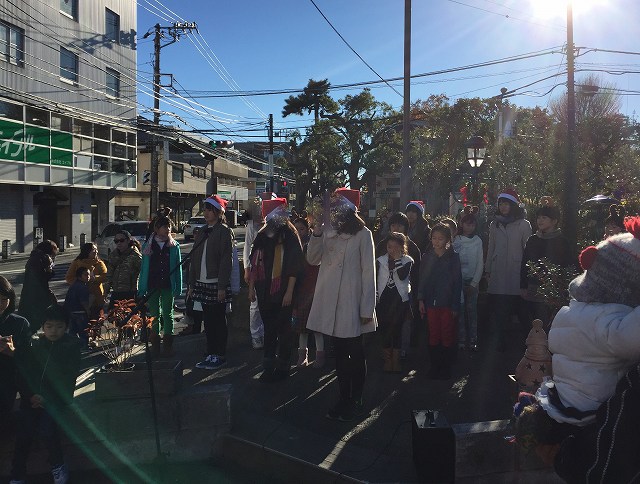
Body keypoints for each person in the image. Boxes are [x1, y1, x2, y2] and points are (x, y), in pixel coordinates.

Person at [513, 217, 640, 483]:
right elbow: (632, 337)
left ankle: (533, 418)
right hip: (592, 411)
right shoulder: (610, 323)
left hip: (564, 400)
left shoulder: (570, 312)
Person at [306, 188, 376, 422]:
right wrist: (316, 230)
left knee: (355, 355)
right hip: (331, 303)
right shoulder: (327, 232)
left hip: (351, 303)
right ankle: (343, 397)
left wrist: (367, 308)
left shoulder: (363, 234)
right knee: (339, 355)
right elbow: (312, 259)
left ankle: (356, 398)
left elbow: (369, 273)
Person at [11, 304, 81, 484]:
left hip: (56, 400)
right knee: (24, 431)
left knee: (47, 428)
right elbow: (24, 373)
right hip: (31, 398)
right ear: (43, 326)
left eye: (59, 326)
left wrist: (47, 398)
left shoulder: (70, 346)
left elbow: (67, 378)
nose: (53, 331)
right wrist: (30, 396)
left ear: (66, 327)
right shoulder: (34, 345)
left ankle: (58, 465)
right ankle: (17, 473)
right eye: (49, 326)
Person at [248, 198, 304, 382]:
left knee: (284, 330)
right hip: (264, 290)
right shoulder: (263, 234)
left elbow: (294, 265)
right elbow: (254, 262)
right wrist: (251, 288)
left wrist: (289, 291)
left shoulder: (289, 233)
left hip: (284, 291)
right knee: (269, 329)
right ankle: (268, 364)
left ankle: (283, 366)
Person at [485, 188, 532, 351]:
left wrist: (527, 275)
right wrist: (488, 269)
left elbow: (528, 251)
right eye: (501, 203)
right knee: (498, 312)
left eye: (507, 204)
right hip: (498, 272)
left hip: (515, 272)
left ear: (513, 205)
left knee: (519, 310)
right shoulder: (494, 224)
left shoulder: (524, 224)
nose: (504, 207)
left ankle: (524, 346)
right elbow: (491, 247)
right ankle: (498, 346)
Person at [190, 195, 233, 371]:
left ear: (218, 211)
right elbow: (193, 257)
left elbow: (226, 259)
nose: (206, 213)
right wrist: (191, 283)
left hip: (216, 282)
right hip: (201, 282)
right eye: (205, 209)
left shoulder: (223, 230)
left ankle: (220, 355)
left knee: (218, 320)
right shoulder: (202, 231)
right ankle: (210, 353)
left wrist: (222, 285)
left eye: (209, 209)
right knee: (207, 320)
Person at [520, 198, 575, 328]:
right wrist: (523, 285)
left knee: (548, 325)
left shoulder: (563, 242)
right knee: (531, 325)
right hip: (532, 289)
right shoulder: (532, 240)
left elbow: (568, 266)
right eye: (538, 217)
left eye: (544, 218)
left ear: (554, 221)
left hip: (553, 292)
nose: (540, 221)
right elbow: (525, 263)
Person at [418, 223, 462, 379]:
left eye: (440, 238)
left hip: (447, 303)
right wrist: (420, 299)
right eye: (434, 238)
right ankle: (434, 366)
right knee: (433, 334)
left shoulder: (453, 257)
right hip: (430, 302)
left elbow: (458, 283)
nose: (436, 241)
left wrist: (455, 305)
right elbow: (422, 280)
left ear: (447, 240)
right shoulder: (427, 256)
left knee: (447, 334)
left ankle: (446, 367)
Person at [376, 212, 422, 357]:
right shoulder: (382, 245)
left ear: (406, 227)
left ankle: (402, 352)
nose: (396, 228)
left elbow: (415, 273)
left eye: (400, 225)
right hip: (384, 292)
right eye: (393, 224)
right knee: (385, 323)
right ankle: (387, 354)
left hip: (405, 291)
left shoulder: (412, 247)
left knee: (404, 324)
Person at [138, 212, 182, 358]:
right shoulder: (148, 246)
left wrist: (178, 286)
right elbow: (144, 269)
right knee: (154, 315)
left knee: (168, 313)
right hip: (152, 284)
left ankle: (168, 344)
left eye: (169, 226)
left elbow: (178, 267)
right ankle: (155, 344)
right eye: (164, 226)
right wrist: (141, 289)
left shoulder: (174, 246)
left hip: (168, 284)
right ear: (156, 229)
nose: (167, 229)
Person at [376, 232, 413, 372]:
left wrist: (397, 260)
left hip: (399, 300)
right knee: (385, 329)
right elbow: (377, 280)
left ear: (402, 247)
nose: (392, 250)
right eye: (389, 247)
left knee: (397, 330)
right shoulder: (380, 261)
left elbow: (403, 276)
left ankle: (396, 360)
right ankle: (387, 359)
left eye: (396, 247)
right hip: (384, 299)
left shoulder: (407, 260)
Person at [292, 215, 325, 368]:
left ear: (308, 229)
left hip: (315, 288)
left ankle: (320, 355)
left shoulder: (313, 242)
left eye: (302, 228)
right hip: (301, 289)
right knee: (302, 328)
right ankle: (302, 355)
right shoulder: (293, 245)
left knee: (317, 327)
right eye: (296, 228)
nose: (299, 231)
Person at [0, 276, 31, 425]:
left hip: (8, 379)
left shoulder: (19, 323)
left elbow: (30, 358)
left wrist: (13, 352)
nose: (0, 304)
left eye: (3, 298)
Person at [453, 207, 484, 351]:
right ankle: (461, 339)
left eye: (472, 224)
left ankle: (473, 339)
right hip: (458, 282)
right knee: (459, 311)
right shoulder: (456, 240)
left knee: (472, 312)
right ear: (461, 223)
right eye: (467, 223)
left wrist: (474, 283)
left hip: (473, 281)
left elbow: (480, 263)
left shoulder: (478, 241)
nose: (469, 227)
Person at [18, 240, 59, 333]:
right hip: (37, 297)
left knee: (29, 321)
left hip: (30, 294)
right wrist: (49, 269)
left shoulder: (34, 257)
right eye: (54, 251)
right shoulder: (43, 258)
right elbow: (41, 279)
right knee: (34, 322)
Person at [243, 197, 265, 349]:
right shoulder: (251, 225)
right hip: (256, 267)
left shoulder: (273, 222)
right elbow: (246, 248)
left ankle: (267, 333)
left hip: (271, 267)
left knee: (269, 303)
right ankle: (255, 335)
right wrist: (246, 268)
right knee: (255, 304)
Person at [64, 243, 107, 318]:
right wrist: (80, 282)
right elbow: (69, 277)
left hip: (97, 297)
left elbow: (106, 276)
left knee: (97, 321)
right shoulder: (77, 262)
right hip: (80, 299)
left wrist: (95, 278)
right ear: (87, 251)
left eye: (96, 249)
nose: (96, 251)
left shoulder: (99, 263)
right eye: (93, 250)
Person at [105, 229, 142, 309]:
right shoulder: (113, 255)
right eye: (116, 241)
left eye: (122, 240)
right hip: (116, 292)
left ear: (128, 241)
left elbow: (143, 272)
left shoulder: (135, 255)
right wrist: (106, 292)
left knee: (131, 319)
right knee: (114, 318)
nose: (119, 243)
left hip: (130, 293)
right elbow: (109, 275)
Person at [62, 267, 92, 347]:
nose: (88, 276)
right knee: (83, 331)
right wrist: (88, 311)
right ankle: (84, 346)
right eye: (86, 275)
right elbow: (84, 301)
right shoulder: (82, 287)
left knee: (72, 331)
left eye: (89, 274)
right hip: (80, 312)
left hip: (70, 311)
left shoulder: (74, 285)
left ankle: (72, 346)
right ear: (79, 276)